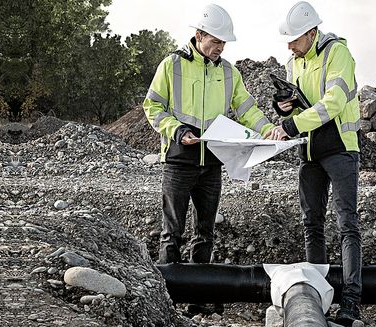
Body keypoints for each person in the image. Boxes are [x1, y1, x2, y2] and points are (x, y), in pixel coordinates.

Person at [143, 3, 274, 265]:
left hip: (212, 163)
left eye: (224, 43)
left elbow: (247, 108)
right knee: (172, 234)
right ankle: (168, 299)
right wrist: (177, 130)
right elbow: (152, 106)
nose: (221, 48)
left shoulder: (228, 72)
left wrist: (268, 129)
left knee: (206, 234)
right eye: (216, 41)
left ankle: (200, 304)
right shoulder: (172, 65)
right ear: (199, 35)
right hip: (179, 161)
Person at [267, 1, 363, 325]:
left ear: (312, 32)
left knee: (347, 224)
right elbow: (299, 108)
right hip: (309, 153)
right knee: (312, 225)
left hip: (340, 150)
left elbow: (333, 103)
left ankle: (351, 303)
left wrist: (291, 125)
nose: (289, 46)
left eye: (294, 39)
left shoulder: (338, 54)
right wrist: (284, 109)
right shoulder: (293, 63)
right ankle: (317, 296)